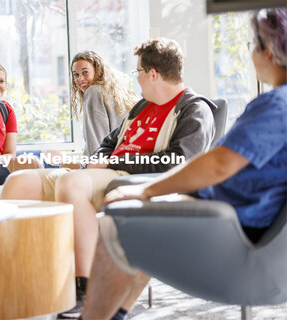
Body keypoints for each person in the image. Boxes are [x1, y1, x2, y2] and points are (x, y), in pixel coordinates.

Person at [81, 8, 287, 320]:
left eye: (251, 45)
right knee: (141, 218)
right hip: (241, 222)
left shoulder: (276, 104)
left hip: (229, 230)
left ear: (267, 51)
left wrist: (147, 191)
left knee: (115, 219)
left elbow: (218, 165)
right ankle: (118, 312)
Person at [1, 38, 218, 318]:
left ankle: (87, 289)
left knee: (71, 183)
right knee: (19, 183)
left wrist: (114, 161)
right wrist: (100, 158)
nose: (136, 77)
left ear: (153, 73)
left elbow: (179, 162)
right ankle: (27, 278)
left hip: (133, 179)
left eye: (138, 71)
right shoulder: (142, 106)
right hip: (104, 172)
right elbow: (109, 141)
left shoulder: (193, 108)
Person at [70, 51, 138, 156]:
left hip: (109, 163)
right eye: (76, 74)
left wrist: (87, 167)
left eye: (85, 72)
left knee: (62, 165)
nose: (80, 79)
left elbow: (95, 143)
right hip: (130, 159)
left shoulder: (93, 92)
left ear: (98, 71)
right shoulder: (121, 94)